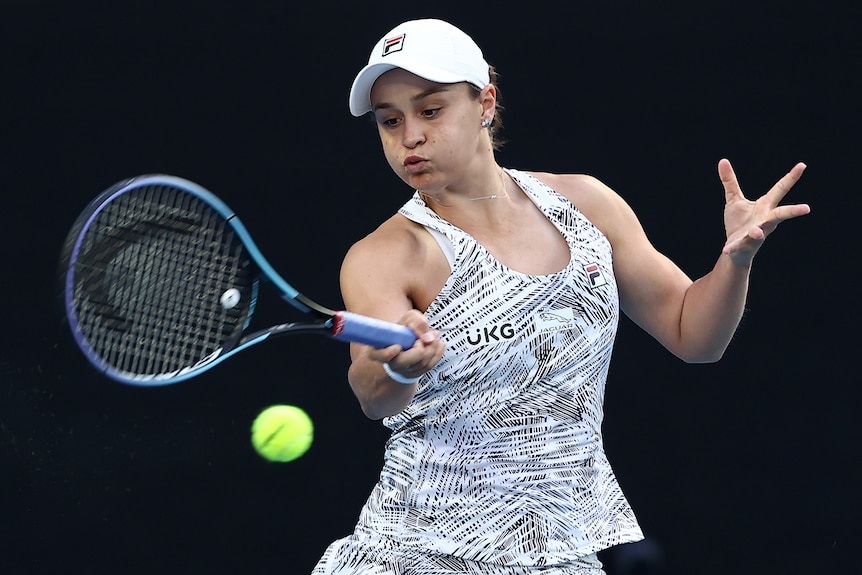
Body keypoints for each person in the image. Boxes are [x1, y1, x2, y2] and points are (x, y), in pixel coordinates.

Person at [312, 18, 809, 575]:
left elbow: (693, 335)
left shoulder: (587, 203)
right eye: (389, 120)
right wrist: (399, 370)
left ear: (485, 104)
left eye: (431, 110)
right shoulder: (386, 254)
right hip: (416, 556)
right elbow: (372, 393)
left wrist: (734, 261)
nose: (410, 136)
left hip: (561, 556)